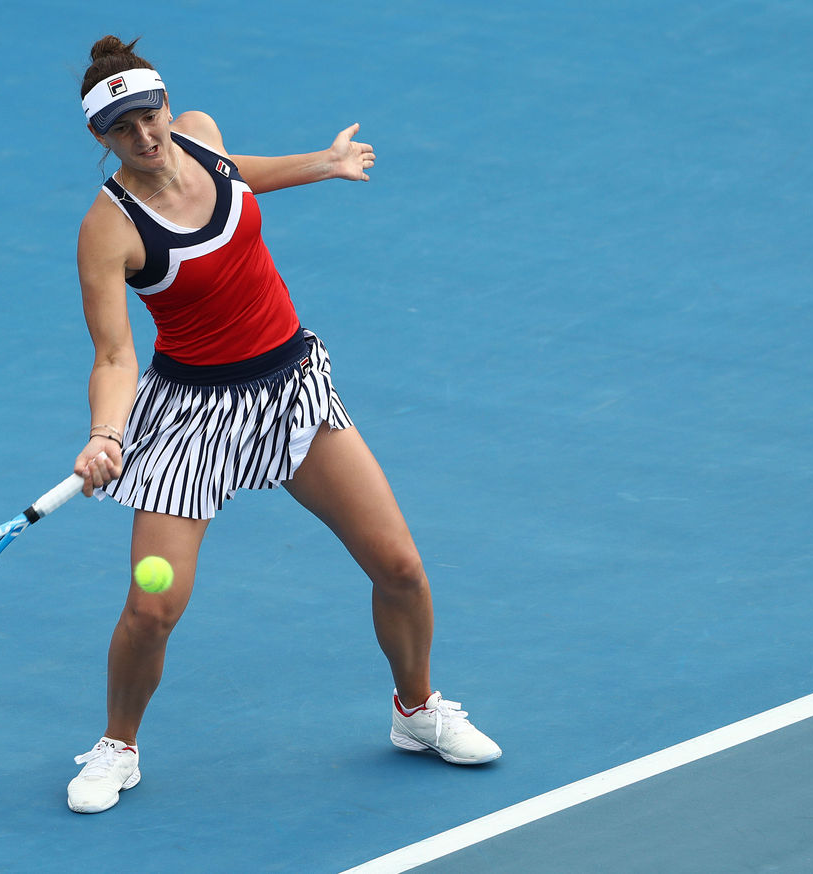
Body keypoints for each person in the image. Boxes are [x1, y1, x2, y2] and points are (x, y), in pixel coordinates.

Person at [66, 35, 500, 814]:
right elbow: (112, 355)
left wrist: (321, 164)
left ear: (167, 105)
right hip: (191, 418)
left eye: (149, 114)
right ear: (101, 140)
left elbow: (239, 178)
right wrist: (106, 433)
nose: (145, 135)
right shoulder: (109, 229)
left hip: (289, 391)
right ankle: (116, 747)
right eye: (123, 128)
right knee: (152, 606)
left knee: (398, 566)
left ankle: (417, 710)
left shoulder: (200, 134)